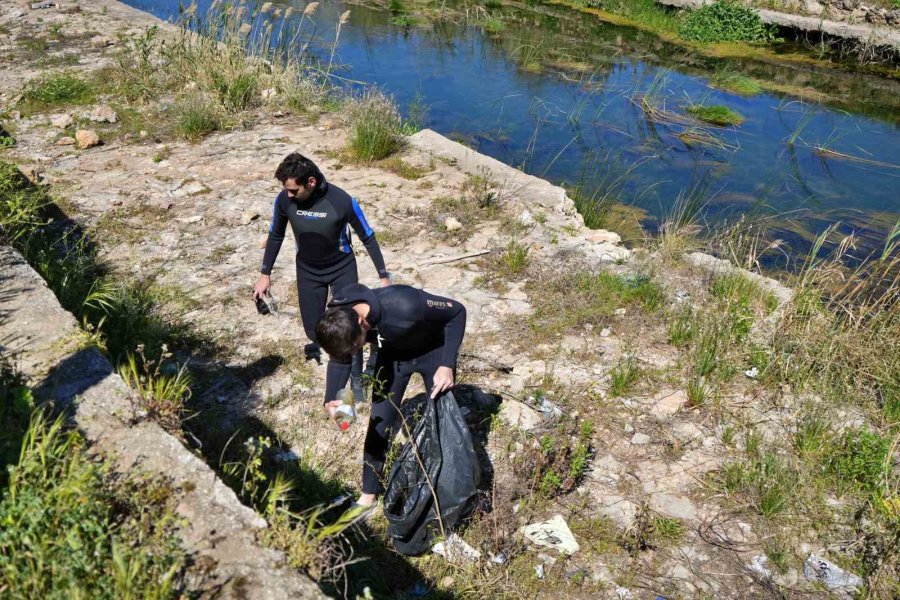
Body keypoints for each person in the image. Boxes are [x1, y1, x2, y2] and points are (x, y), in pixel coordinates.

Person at [252, 153, 390, 401]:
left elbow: (367, 236)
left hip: (341, 269)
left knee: (349, 328)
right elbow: (275, 235)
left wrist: (383, 277)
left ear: (311, 182)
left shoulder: (341, 201)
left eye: (294, 190)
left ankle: (356, 376)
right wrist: (265, 274)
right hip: (308, 271)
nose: (289, 195)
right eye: (287, 190)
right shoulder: (284, 201)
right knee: (313, 330)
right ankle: (339, 355)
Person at [315, 283, 466, 507]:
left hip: (432, 351)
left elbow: (457, 311)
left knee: (442, 420)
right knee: (379, 423)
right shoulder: (341, 314)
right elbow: (340, 358)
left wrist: (447, 364)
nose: (356, 353)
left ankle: (448, 489)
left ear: (360, 321)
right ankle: (369, 495)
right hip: (394, 357)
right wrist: (331, 398)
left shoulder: (404, 305)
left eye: (355, 347)